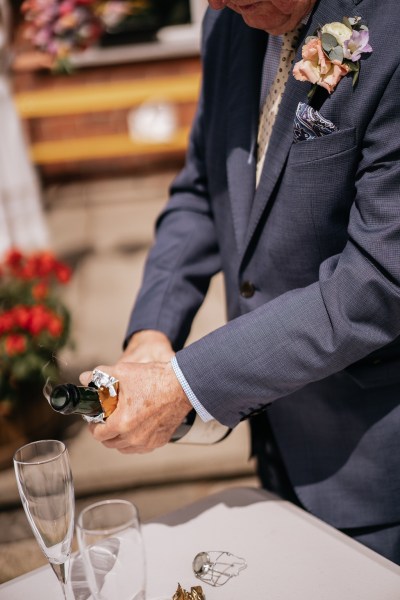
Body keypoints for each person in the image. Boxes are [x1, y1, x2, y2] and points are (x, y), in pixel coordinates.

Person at [81, 0, 400, 564]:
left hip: (372, 468)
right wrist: (152, 332)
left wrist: (185, 382)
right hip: (277, 442)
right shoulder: (229, 21)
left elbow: (374, 283)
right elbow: (206, 187)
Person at [0, 0, 50, 257]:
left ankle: (25, 259)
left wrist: (42, 56)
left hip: (4, 104)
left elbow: (5, 60)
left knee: (12, 171)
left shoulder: (6, 7)